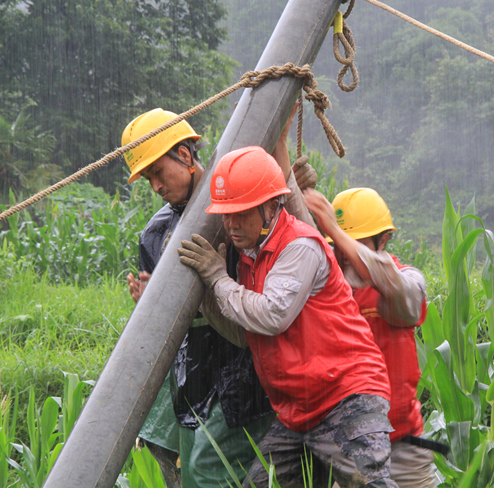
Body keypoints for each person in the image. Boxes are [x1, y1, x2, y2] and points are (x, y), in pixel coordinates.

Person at [177, 146, 399, 488]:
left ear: (271, 206)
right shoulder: (251, 255)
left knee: (369, 484)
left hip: (346, 398)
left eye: (242, 213)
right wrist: (210, 293)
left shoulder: (298, 246)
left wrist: (218, 280)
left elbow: (271, 315)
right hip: (298, 411)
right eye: (226, 214)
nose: (232, 224)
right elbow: (246, 333)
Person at [122, 107, 315, 487]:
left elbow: (278, 281)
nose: (156, 186)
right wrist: (151, 305)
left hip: (248, 365)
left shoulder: (240, 206)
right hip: (194, 370)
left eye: (158, 173)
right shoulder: (154, 235)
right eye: (148, 179)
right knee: (195, 472)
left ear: (185, 154)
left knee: (217, 471)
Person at [303, 187, 437, 487]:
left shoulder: (406, 283)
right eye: (335, 246)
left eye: (350, 243)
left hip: (404, 451)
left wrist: (336, 231)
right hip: (350, 452)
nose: (342, 253)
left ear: (383, 241)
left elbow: (393, 285)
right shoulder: (330, 287)